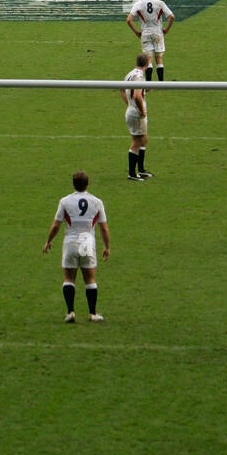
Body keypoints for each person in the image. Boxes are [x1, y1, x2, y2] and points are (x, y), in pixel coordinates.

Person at [42, 170, 110, 323]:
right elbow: (103, 228)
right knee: (90, 279)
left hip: (71, 242)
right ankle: (92, 314)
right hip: (88, 242)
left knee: (69, 278)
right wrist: (107, 247)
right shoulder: (97, 202)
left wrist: (48, 241)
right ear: (87, 184)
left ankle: (70, 312)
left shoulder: (65, 201)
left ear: (73, 184)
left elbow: (56, 225)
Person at [126, 0, 174, 81]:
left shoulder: (139, 4)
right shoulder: (159, 3)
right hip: (158, 32)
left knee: (149, 59)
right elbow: (171, 17)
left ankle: (148, 84)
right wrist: (166, 29)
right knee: (159, 58)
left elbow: (129, 20)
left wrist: (136, 32)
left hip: (146, 32)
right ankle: (161, 83)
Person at [120, 51, 151, 180]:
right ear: (147, 63)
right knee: (136, 142)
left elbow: (121, 89)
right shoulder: (138, 77)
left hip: (132, 110)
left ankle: (141, 169)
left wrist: (129, 103)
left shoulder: (130, 74)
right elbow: (137, 95)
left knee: (143, 139)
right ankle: (132, 173)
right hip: (137, 113)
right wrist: (141, 110)